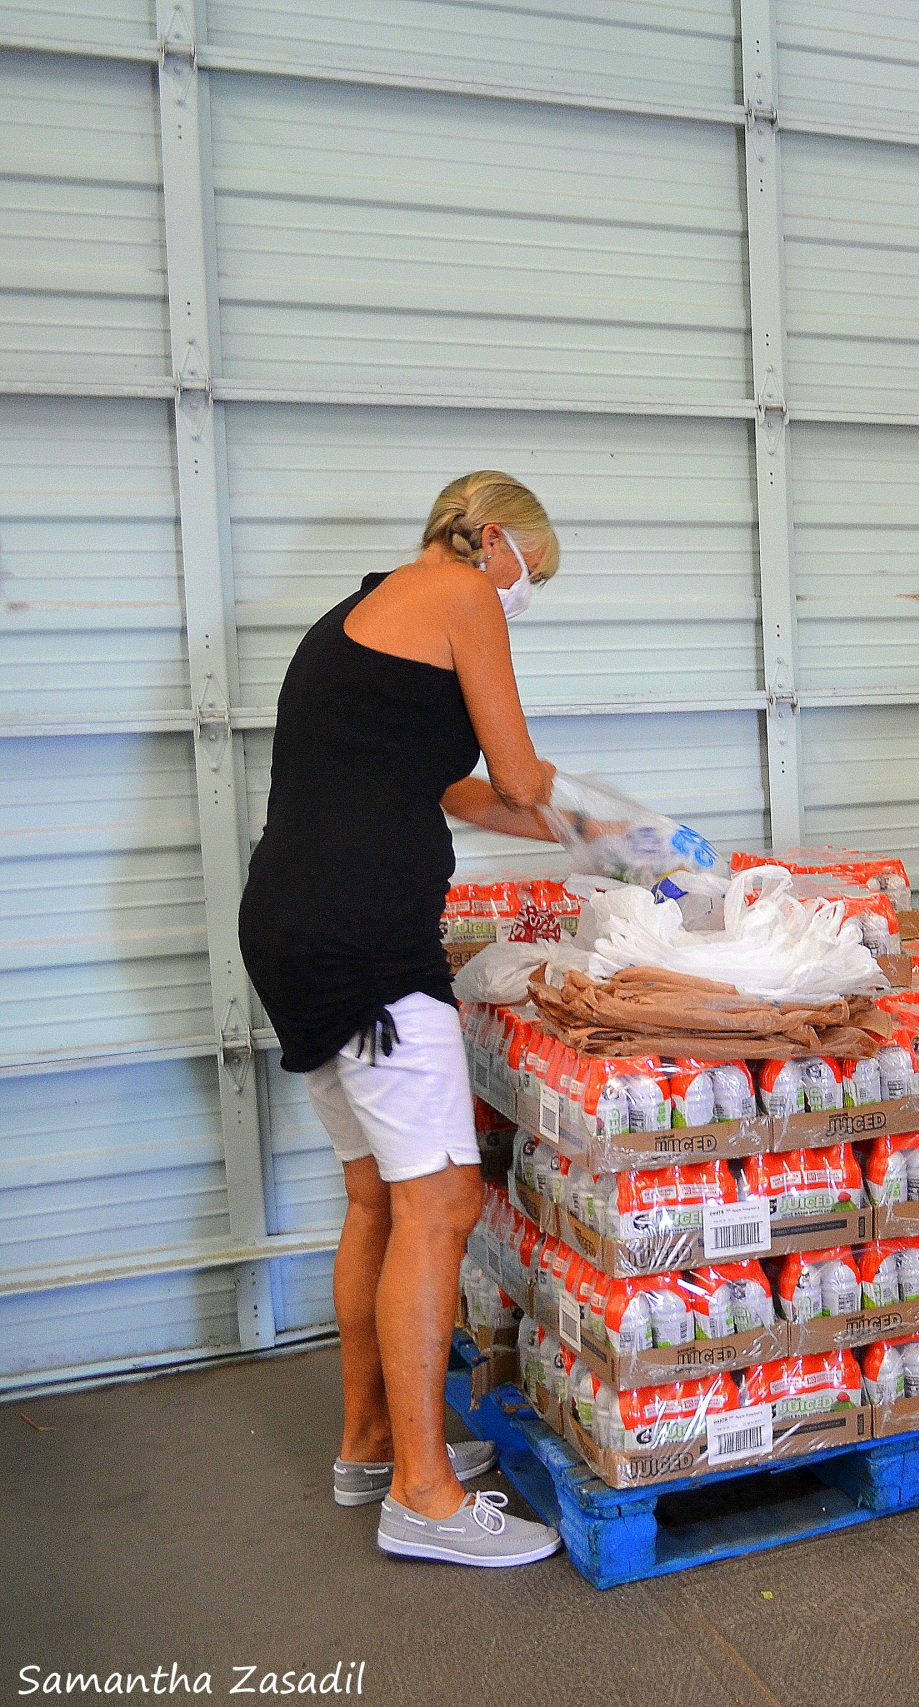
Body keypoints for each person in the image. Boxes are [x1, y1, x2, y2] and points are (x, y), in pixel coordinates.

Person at [238, 471, 569, 1568]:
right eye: (534, 571)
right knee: (444, 1199)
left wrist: (595, 832)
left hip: (289, 924)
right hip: (365, 939)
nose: (526, 594)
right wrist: (551, 789)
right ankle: (423, 1499)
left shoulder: (363, 620)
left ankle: (371, 1444)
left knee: (379, 1192)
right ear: (490, 540)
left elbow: (450, 790)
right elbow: (512, 772)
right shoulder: (460, 593)